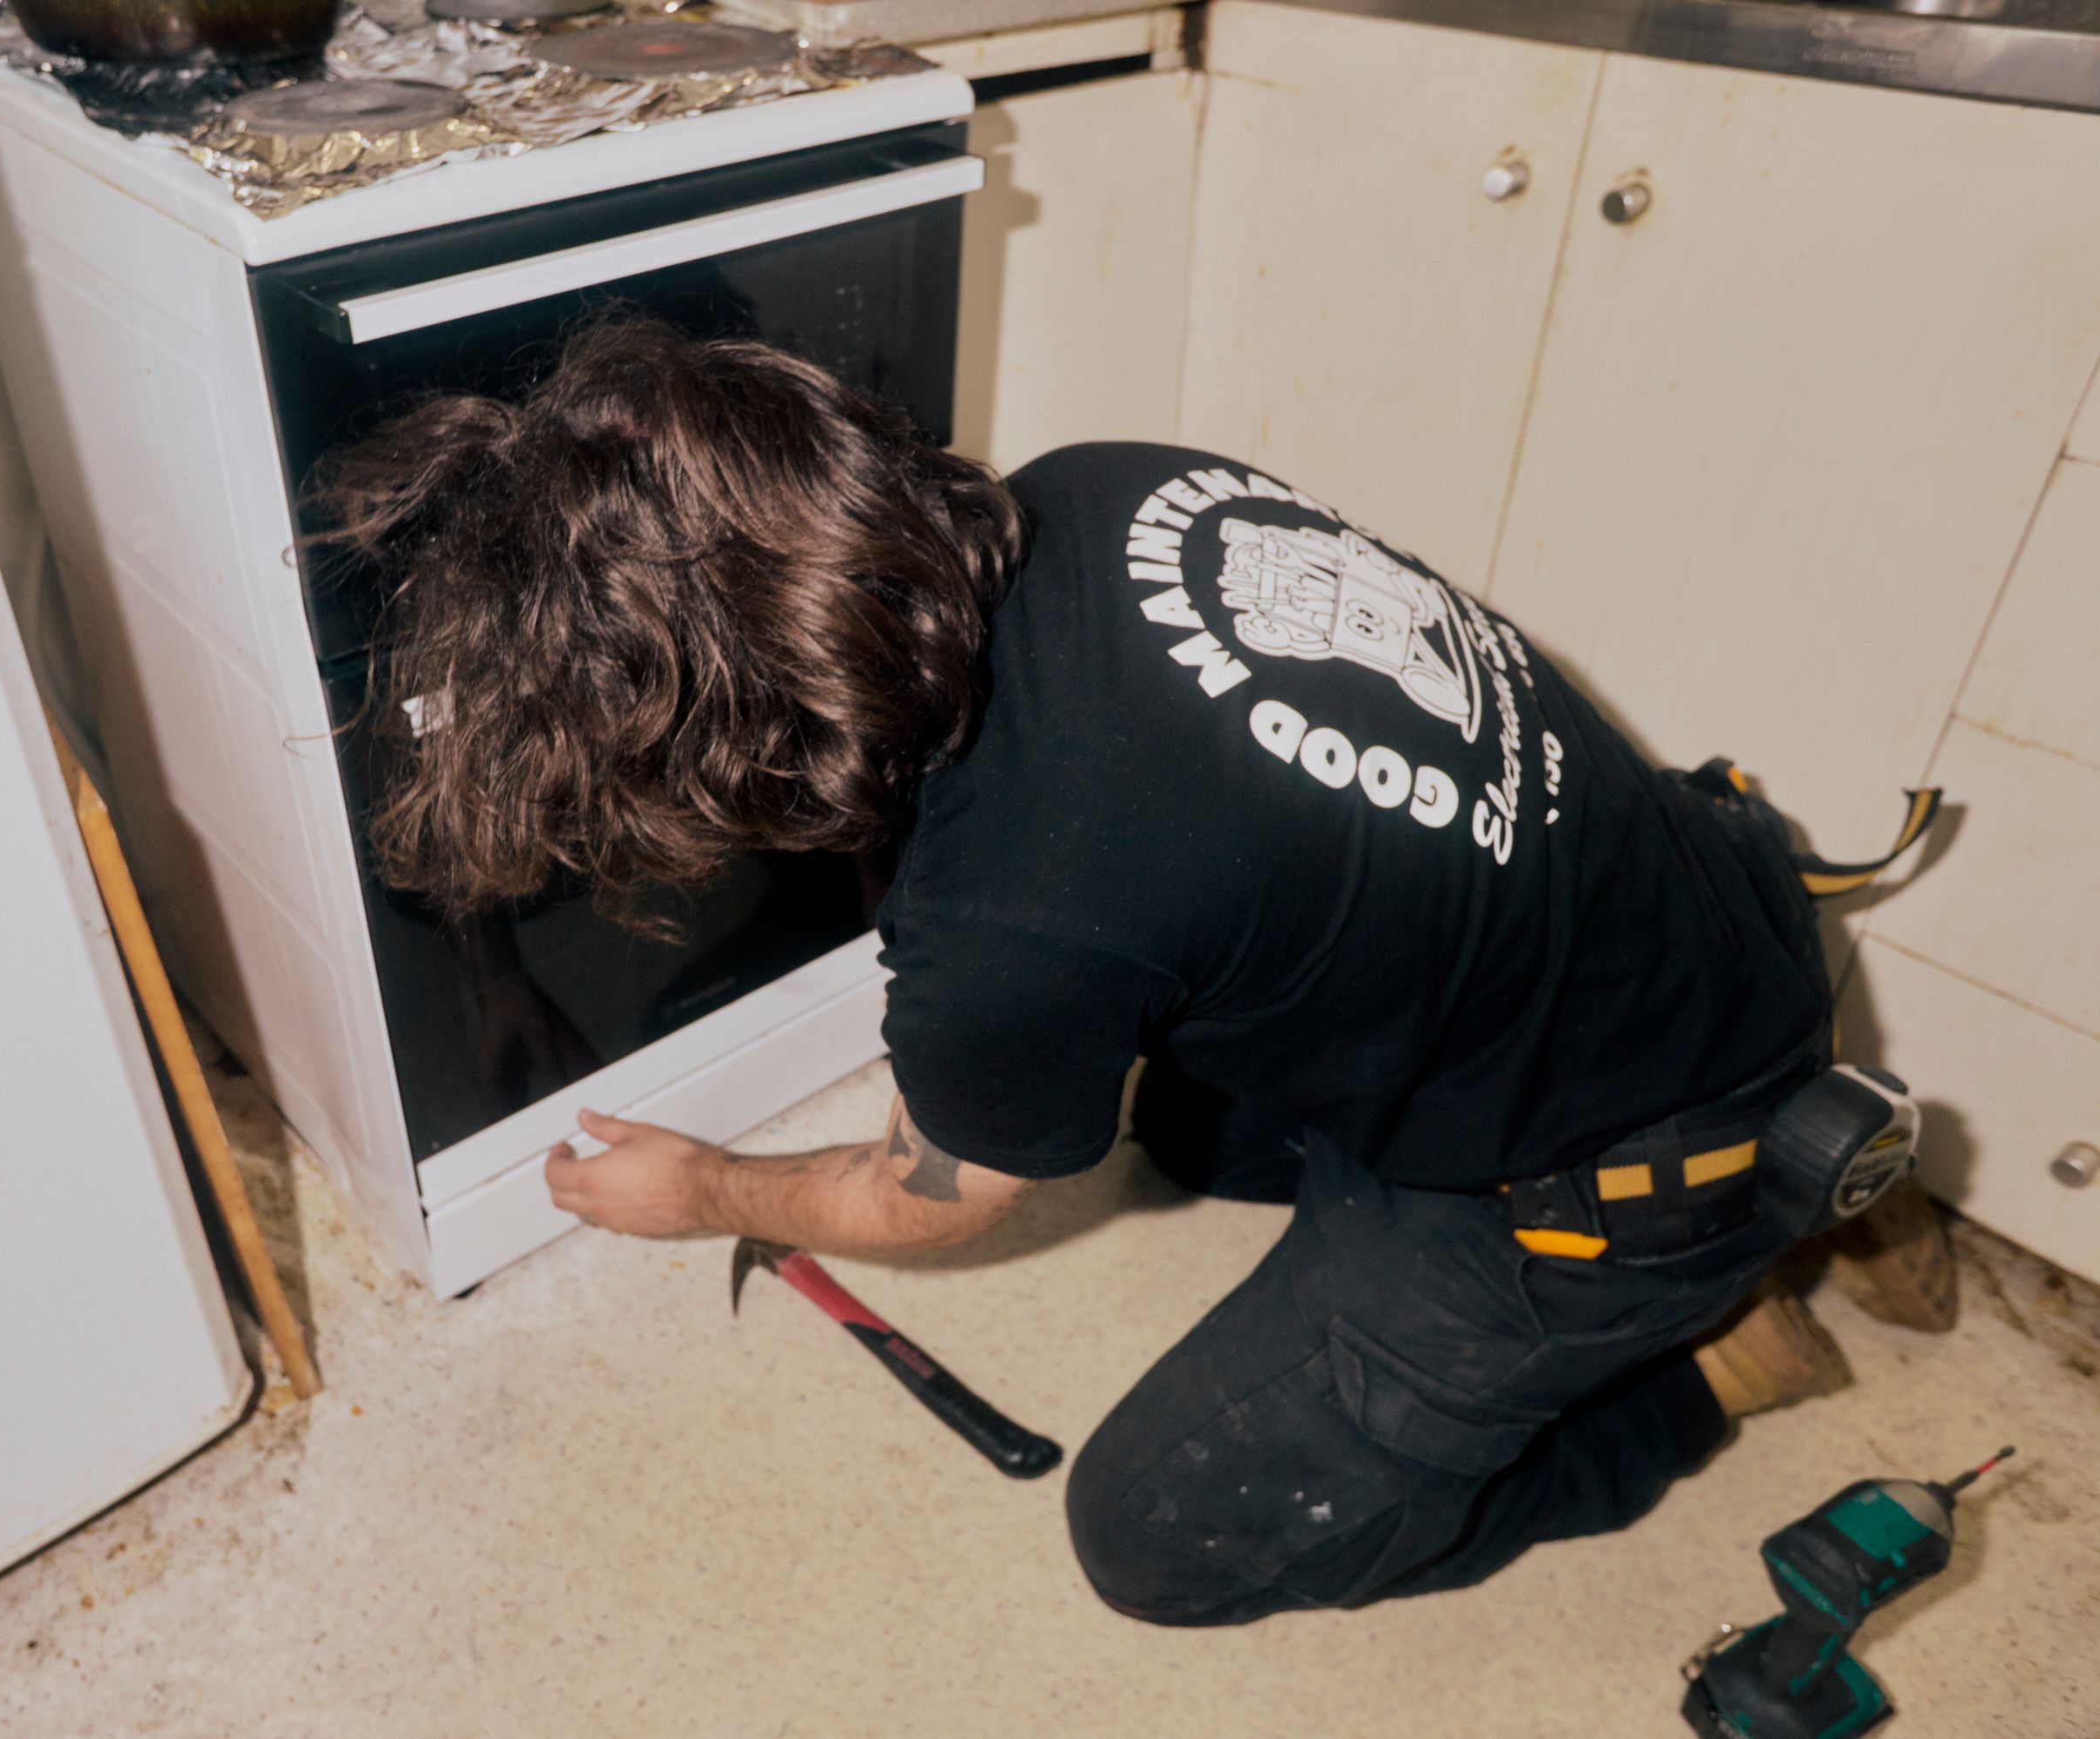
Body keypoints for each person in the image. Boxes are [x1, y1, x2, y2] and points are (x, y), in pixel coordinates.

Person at [325, 320, 1926, 1625]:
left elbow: (927, 1192)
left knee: (1156, 1538)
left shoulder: (1009, 937)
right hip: (1693, 902)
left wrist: (716, 1188)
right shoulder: (1091, 488)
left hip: (1628, 1158)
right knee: (1174, 1129)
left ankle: (1711, 1344)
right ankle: (1733, 1170)